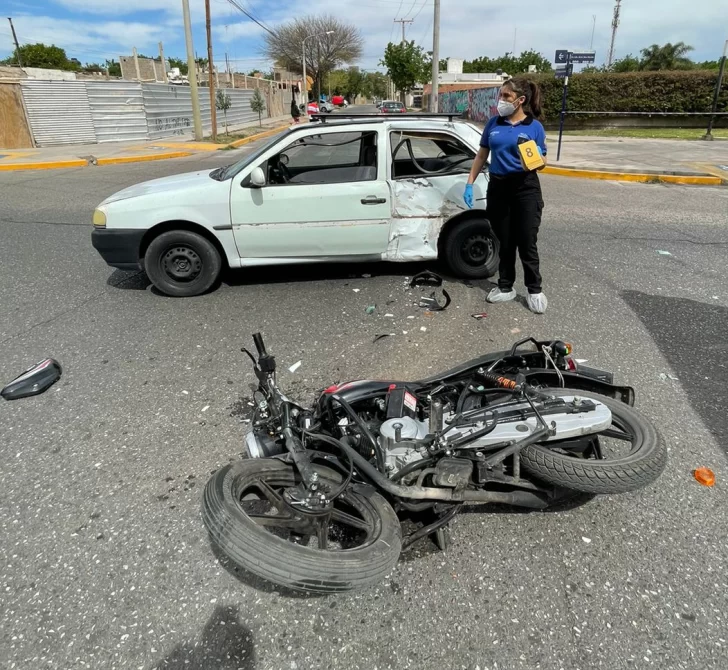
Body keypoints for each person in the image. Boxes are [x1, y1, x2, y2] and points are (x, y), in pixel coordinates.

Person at [463, 77, 548, 314]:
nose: (501, 100)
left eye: (506, 96)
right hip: (498, 188)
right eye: (500, 95)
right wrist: (469, 183)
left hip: (525, 188)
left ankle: (534, 289)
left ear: (520, 100)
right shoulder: (493, 123)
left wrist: (537, 158)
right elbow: (481, 155)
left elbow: (542, 162)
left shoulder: (534, 127)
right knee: (505, 241)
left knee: (527, 241)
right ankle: (505, 286)